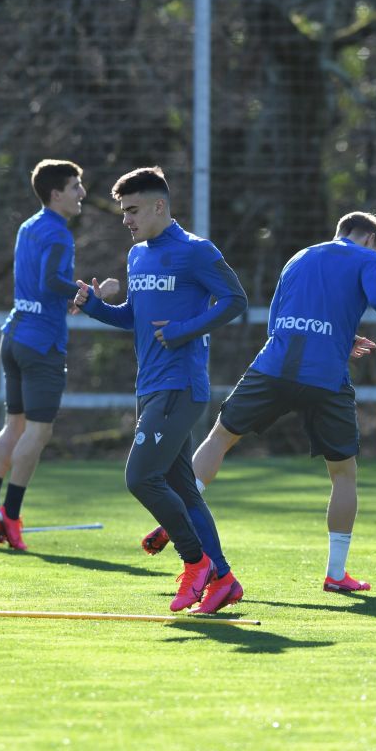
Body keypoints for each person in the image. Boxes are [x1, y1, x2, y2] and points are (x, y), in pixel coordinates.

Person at [139, 212, 376, 593]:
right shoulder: (368, 258)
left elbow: (276, 323)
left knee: (219, 438)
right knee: (343, 474)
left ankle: (177, 515)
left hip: (273, 367)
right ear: (369, 239)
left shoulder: (300, 257)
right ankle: (335, 575)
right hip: (326, 378)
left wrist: (340, 340)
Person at [73, 166, 247, 614]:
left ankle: (196, 563)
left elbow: (236, 300)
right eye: (122, 211)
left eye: (132, 210)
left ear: (158, 206)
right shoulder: (137, 256)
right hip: (150, 387)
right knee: (183, 490)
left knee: (140, 478)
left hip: (180, 385)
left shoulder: (195, 251)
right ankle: (224, 580)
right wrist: (94, 306)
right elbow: (134, 316)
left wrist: (186, 329)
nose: (125, 219)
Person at [0, 159, 88, 551]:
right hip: (41, 343)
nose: (82, 193)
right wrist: (86, 293)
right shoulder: (59, 233)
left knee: (14, 425)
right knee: (38, 431)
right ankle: (10, 515)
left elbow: (40, 286)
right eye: (75, 186)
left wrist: (67, 298)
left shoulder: (28, 225)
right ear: (56, 194)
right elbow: (52, 280)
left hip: (14, 335)